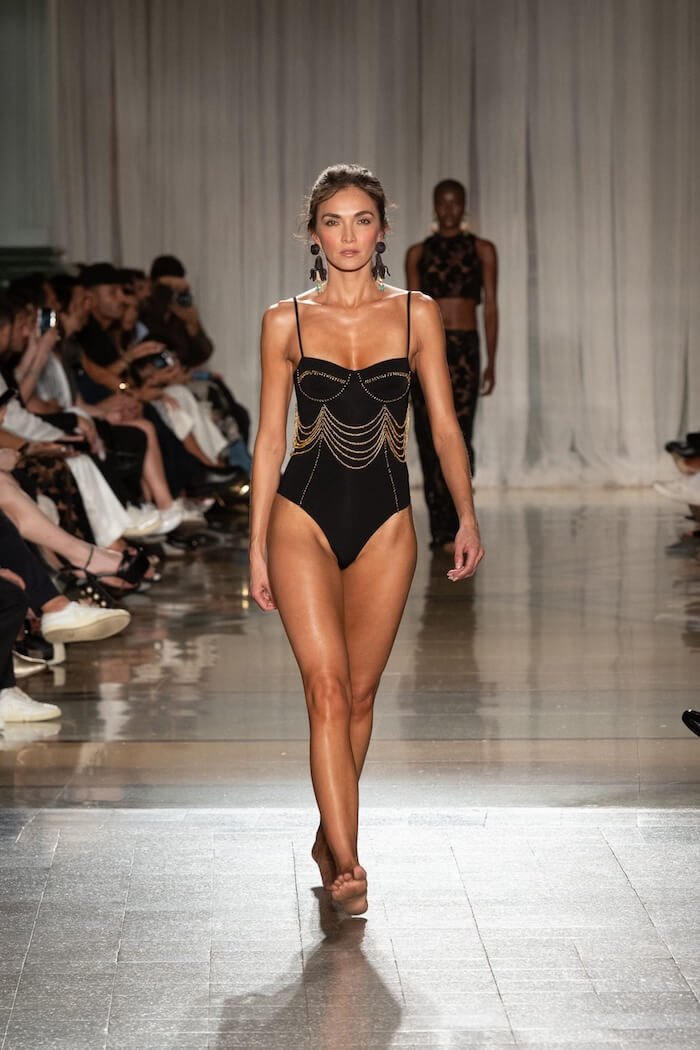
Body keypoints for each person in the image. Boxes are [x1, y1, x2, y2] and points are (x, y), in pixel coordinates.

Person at [249, 164, 484, 915]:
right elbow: (269, 439)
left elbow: (443, 427)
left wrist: (466, 516)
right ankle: (348, 863)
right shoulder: (284, 321)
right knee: (324, 687)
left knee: (358, 693)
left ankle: (330, 834)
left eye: (361, 220)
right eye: (333, 221)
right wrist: (255, 545)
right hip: (301, 518)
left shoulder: (417, 314)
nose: (347, 235)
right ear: (312, 233)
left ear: (382, 230)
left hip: (387, 521)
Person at [405, 179, 498, 551]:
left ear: (464, 206)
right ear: (434, 206)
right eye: (442, 203)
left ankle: (462, 523)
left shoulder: (482, 250)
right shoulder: (417, 254)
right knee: (427, 437)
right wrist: (407, 362)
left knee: (459, 435)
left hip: (465, 351)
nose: (449, 210)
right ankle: (440, 530)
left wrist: (492, 361)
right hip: (427, 349)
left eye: (455, 202)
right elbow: (410, 312)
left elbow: (490, 307)